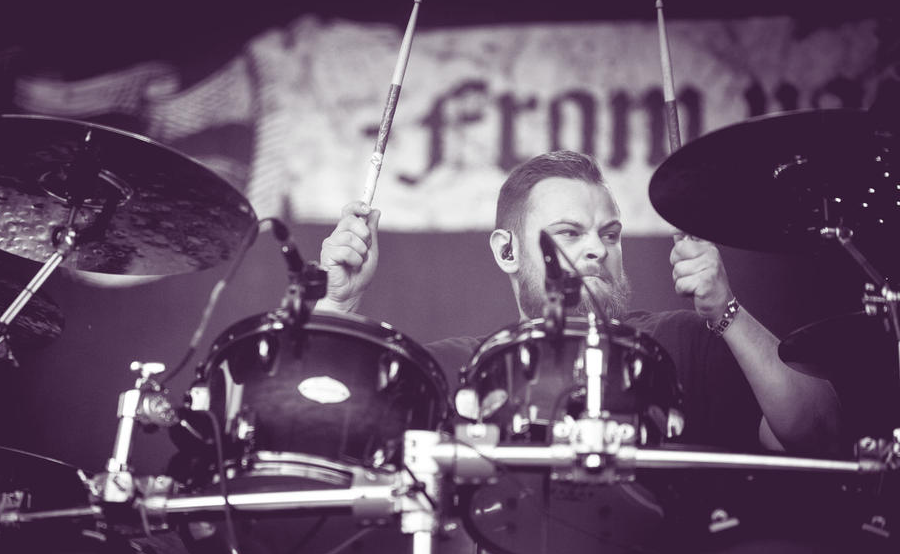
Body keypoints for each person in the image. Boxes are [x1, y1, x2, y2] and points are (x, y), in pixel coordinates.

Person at [316, 150, 840, 453]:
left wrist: (727, 309)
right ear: (506, 251)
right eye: (569, 233)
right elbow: (321, 437)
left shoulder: (683, 342)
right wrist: (337, 306)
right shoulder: (458, 370)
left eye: (609, 234)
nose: (597, 249)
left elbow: (819, 433)